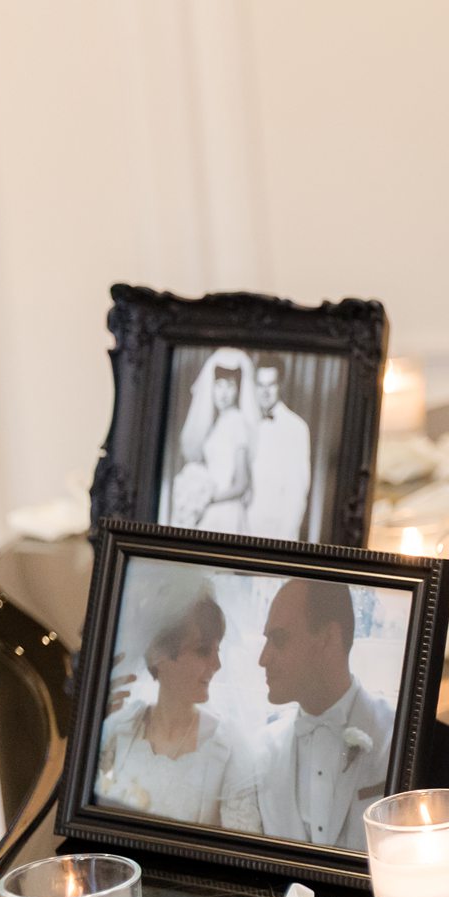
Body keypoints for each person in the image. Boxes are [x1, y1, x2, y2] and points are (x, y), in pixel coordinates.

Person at [221, 579, 392, 848]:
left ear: (328, 638)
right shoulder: (259, 751)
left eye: (279, 639)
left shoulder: (397, 733)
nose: (263, 659)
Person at [94, 572, 237, 824]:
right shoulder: (118, 730)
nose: (217, 664)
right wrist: (92, 726)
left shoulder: (227, 750)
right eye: (203, 650)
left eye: (218, 650)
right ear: (159, 654)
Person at [170, 350, 257, 531]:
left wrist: (207, 498)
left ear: (238, 389)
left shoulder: (237, 423)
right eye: (218, 386)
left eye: (230, 386)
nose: (223, 393)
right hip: (212, 508)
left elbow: (242, 483)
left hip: (226, 511)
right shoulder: (217, 423)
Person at [244, 360, 312, 540]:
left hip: (276, 531)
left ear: (280, 385)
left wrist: (284, 539)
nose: (265, 392)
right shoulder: (246, 422)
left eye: (271, 385)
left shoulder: (296, 427)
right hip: (243, 527)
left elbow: (298, 490)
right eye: (260, 385)